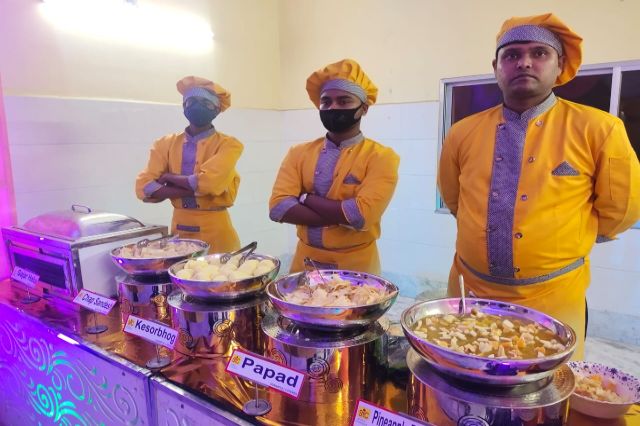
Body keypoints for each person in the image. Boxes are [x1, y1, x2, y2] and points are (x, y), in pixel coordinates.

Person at [438, 13, 640, 359]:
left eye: (539, 53)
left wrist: (565, 238)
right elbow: (455, 199)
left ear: (559, 65)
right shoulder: (462, 132)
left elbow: (621, 210)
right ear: (496, 67)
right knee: (464, 377)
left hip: (553, 299)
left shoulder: (599, 129)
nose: (524, 62)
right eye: (512, 55)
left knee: (547, 387)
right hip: (470, 292)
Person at [269, 59, 399, 275]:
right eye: (326, 102)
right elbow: (278, 208)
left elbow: (361, 216)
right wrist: (341, 215)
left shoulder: (381, 157)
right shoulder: (298, 153)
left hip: (356, 267)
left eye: (344, 101)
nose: (333, 107)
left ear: (363, 108)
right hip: (305, 262)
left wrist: (306, 199)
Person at [136, 76, 242, 253]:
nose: (197, 106)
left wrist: (169, 178)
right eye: (191, 101)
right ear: (184, 106)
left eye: (205, 102)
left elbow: (209, 183)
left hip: (216, 231)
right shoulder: (164, 144)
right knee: (181, 270)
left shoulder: (229, 145)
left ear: (217, 110)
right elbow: (143, 187)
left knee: (219, 271)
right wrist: (195, 188)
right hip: (179, 231)